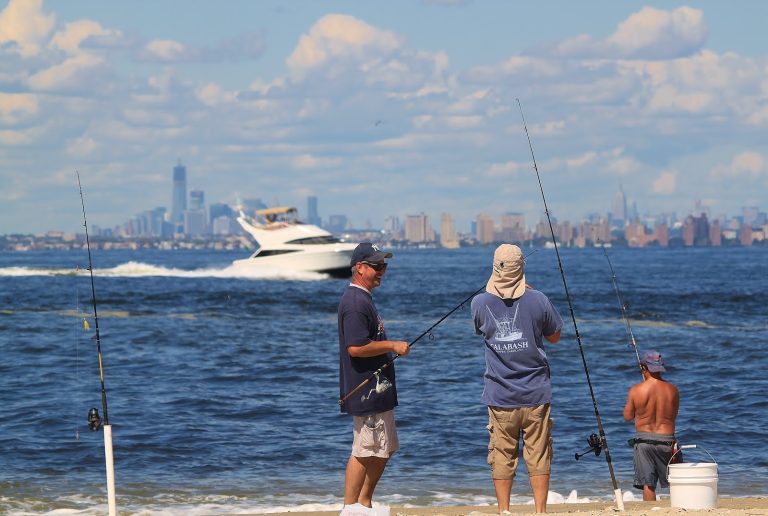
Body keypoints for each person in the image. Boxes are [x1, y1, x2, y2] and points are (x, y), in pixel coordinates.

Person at [470, 244, 564, 514]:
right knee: (539, 454)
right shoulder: (539, 299)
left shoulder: (479, 303)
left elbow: (480, 330)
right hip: (536, 393)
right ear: (521, 268)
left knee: (502, 454)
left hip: (500, 396)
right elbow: (555, 336)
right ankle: (540, 511)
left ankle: (504, 510)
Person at [338, 242, 410, 516]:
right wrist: (392, 346)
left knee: (384, 449)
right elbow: (355, 348)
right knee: (364, 450)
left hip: (378, 390)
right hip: (366, 390)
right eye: (377, 266)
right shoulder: (355, 303)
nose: (382, 271)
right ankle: (350, 508)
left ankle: (363, 504)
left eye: (384, 265)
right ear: (359, 268)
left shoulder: (364, 298)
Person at [623, 350, 680, 501]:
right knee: (677, 482)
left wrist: (641, 410)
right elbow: (673, 416)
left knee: (648, 484)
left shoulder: (636, 390)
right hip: (667, 440)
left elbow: (627, 417)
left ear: (643, 367)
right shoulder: (673, 390)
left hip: (644, 442)